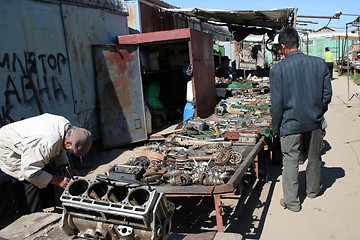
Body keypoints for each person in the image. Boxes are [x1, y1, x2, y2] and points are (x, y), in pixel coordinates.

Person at [270, 27, 332, 212]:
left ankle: (292, 202)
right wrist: (317, 111)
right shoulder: (319, 63)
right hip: (314, 122)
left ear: (282, 46)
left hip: (290, 123)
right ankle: (313, 191)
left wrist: (276, 127)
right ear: (297, 42)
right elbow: (327, 95)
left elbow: (277, 104)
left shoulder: (278, 69)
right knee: (314, 157)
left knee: (290, 160)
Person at [0, 113, 92, 215]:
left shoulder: (67, 129)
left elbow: (59, 147)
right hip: (8, 147)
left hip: (32, 145)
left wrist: (66, 166)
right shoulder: (46, 143)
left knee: (44, 171)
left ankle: (48, 210)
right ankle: (32, 217)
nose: (71, 154)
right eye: (72, 152)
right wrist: (57, 180)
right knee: (28, 180)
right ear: (68, 143)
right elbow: (29, 171)